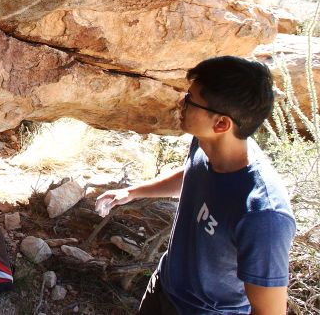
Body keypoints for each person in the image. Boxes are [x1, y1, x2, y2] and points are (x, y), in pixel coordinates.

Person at [95, 56, 295, 315]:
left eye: (190, 99)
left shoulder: (263, 216)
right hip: (165, 287)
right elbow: (194, 174)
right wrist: (132, 192)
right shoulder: (208, 144)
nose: (181, 103)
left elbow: (269, 311)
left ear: (221, 123)